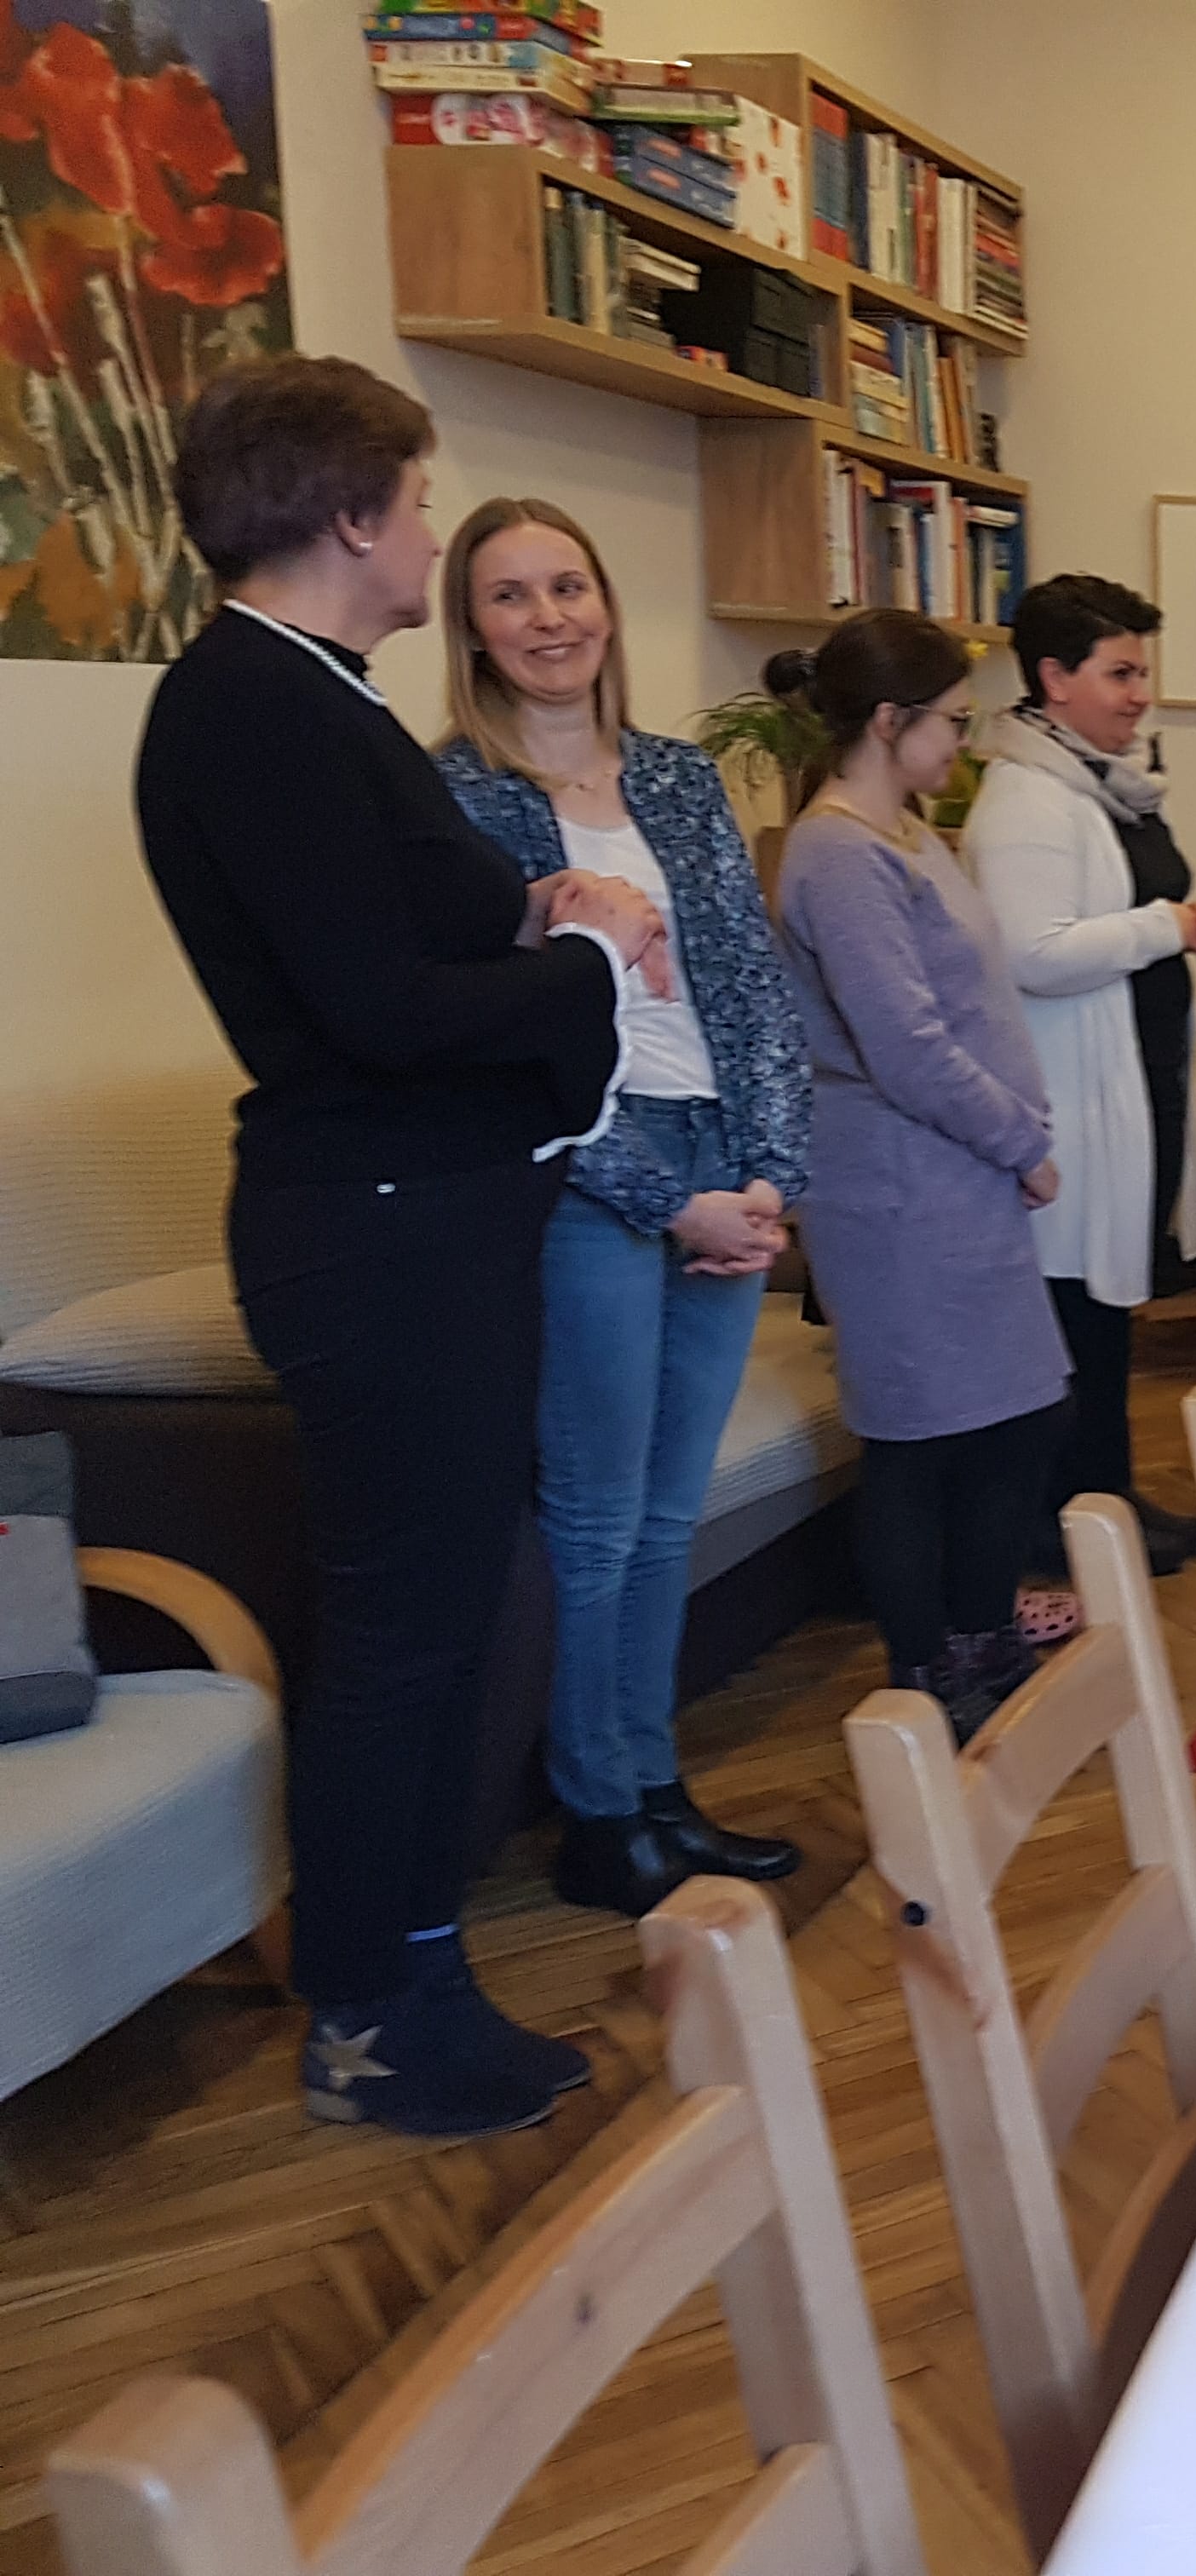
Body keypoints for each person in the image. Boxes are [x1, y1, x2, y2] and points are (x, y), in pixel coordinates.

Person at [135, 355, 667, 2138]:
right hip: (378, 1236)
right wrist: (583, 958)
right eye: (423, 504)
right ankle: (371, 2014)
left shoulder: (307, 696)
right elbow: (370, 1011)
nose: (433, 536)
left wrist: (533, 905)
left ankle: (418, 1973)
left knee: (438, 1622)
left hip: (419, 1223)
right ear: (351, 515)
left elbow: (388, 937)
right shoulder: (252, 709)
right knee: (401, 1640)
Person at [434, 497, 811, 1918]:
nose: (549, 618)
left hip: (722, 1153)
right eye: (511, 595)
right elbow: (504, 1051)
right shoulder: (456, 800)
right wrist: (673, 1202)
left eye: (568, 585)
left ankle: (655, 1786)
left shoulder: (677, 776)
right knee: (594, 1518)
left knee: (667, 1511)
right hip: (587, 1171)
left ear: (604, 603)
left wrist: (766, 1176)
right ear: (473, 629)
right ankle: (598, 1814)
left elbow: (750, 986)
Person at [768, 611, 1068, 1742]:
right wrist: (1021, 1141)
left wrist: (1009, 1139)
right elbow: (907, 1046)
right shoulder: (837, 853)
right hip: (899, 1189)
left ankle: (982, 1634)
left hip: (958, 1179)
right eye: (952, 719)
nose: (964, 740)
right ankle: (927, 1669)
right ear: (890, 721)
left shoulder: (903, 831)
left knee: (1013, 1421)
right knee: (919, 1441)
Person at [967, 573, 1196, 1594]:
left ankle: (1108, 1495)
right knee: (1075, 1309)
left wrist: (1173, 927)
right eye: (1120, 674)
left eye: (1140, 672)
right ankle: (1068, 1518)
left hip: (1133, 1070)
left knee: (1109, 1309)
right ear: (1054, 678)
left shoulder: (1094, 785)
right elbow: (1032, 952)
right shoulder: (1026, 800)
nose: (1139, 695)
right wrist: (1167, 926)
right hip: (1073, 1094)